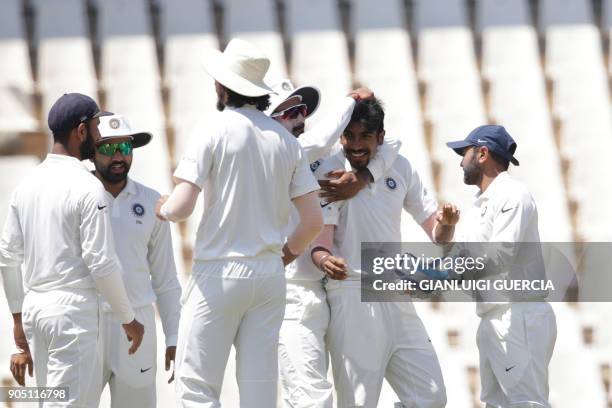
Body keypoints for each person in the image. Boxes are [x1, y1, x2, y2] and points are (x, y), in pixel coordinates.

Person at [155, 38, 323, 407]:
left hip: (219, 272)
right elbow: (313, 220)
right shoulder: (286, 141)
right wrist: (283, 257)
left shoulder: (212, 128)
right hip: (268, 275)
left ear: (220, 85)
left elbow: (182, 208)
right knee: (259, 391)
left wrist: (164, 208)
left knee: (196, 385)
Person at [310, 98, 458, 407]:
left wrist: (447, 225)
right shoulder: (330, 171)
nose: (356, 145)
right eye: (349, 136)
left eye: (365, 136)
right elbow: (321, 241)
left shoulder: (399, 166)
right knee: (358, 401)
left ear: (380, 137)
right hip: (353, 291)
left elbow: (437, 234)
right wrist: (325, 259)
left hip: (395, 291)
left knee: (431, 398)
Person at [0, 93, 144, 406]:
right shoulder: (87, 186)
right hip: (72, 313)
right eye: (95, 128)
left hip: (36, 310)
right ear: (81, 132)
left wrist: (17, 318)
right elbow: (101, 263)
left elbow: (8, 259)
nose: (98, 135)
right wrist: (127, 318)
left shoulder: (27, 184)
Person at [267, 79, 402, 407]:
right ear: (266, 121)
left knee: (314, 398)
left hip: (322, 294)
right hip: (286, 292)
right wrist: (351, 99)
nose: (298, 119)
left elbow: (392, 143)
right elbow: (324, 138)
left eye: (301, 112)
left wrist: (364, 176)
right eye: (288, 112)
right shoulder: (269, 152)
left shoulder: (316, 158)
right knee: (312, 400)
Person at [446, 125, 557, 408]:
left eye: (464, 152)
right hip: (491, 316)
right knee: (495, 403)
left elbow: (501, 256)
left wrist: (444, 274)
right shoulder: (478, 205)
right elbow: (463, 259)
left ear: (482, 154)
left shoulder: (514, 194)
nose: (460, 160)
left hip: (517, 314)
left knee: (526, 403)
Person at [91, 114, 182, 407]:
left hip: (139, 325)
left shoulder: (151, 200)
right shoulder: (74, 198)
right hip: (85, 323)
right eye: (108, 148)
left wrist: (173, 335)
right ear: (91, 151)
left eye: (125, 148)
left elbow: (166, 278)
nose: (118, 157)